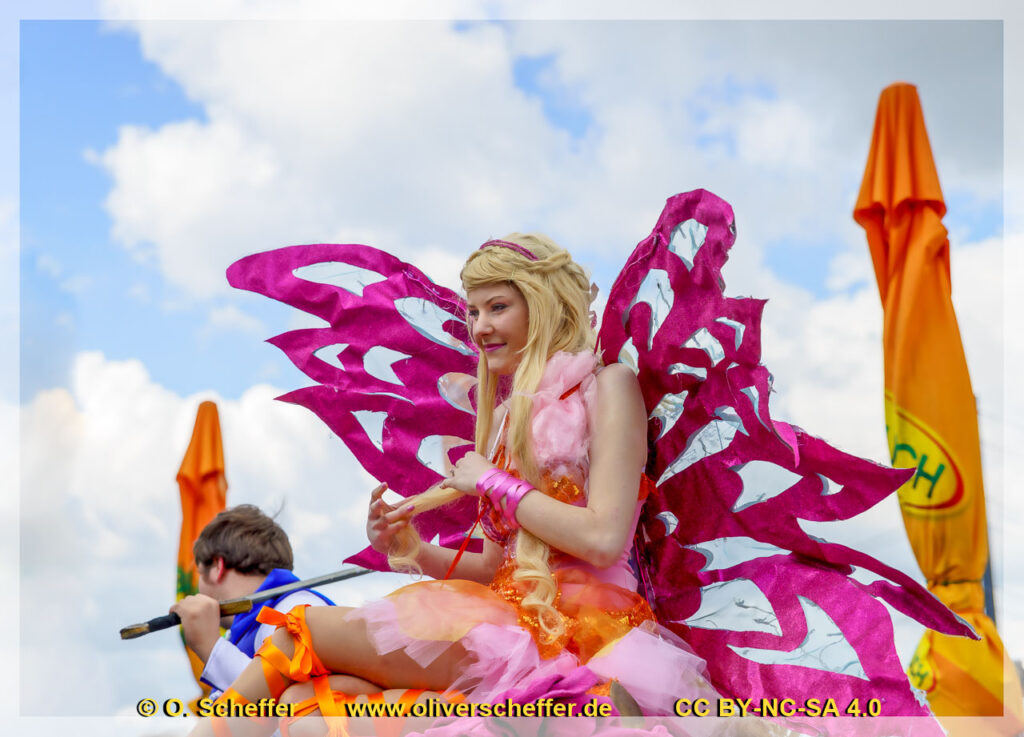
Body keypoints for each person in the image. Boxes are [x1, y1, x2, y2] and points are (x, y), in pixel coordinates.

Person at [189, 234, 721, 736]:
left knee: (299, 633)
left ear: (544, 305)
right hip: (505, 626)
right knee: (311, 706)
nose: (480, 327)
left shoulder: (609, 387)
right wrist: (414, 549)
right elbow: (491, 568)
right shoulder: (503, 422)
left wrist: (494, 482)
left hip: (583, 632)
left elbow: (603, 538)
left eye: (497, 307)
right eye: (473, 311)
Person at [172, 504, 334, 699]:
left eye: (199, 573)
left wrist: (210, 647)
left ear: (217, 567)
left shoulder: (292, 610)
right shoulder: (251, 628)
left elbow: (292, 708)